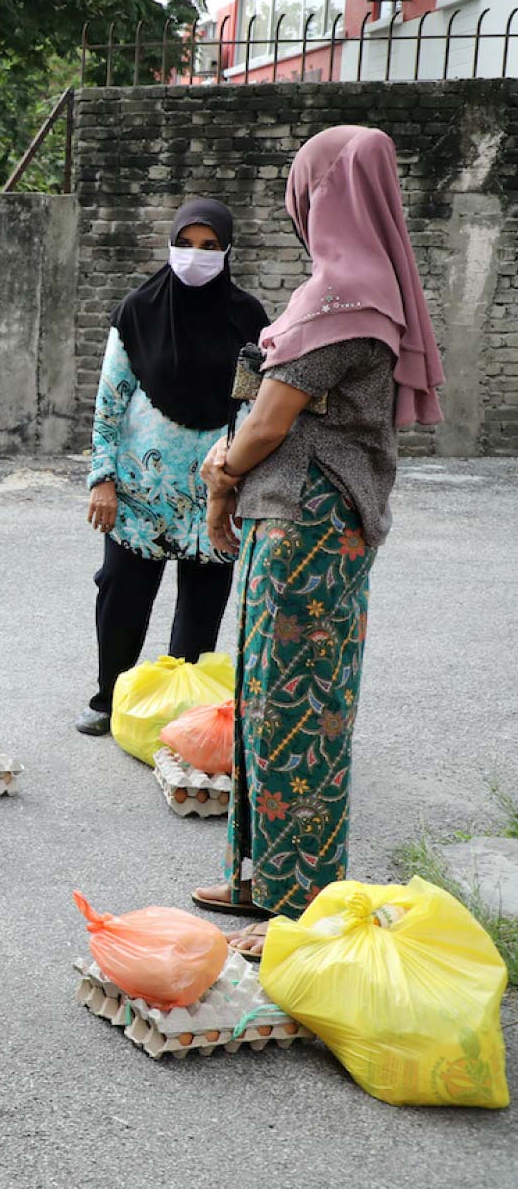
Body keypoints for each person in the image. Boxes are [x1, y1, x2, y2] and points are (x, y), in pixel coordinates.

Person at [191, 126, 443, 959]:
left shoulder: (347, 296)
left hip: (310, 522)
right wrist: (230, 466)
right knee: (262, 696)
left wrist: (222, 473)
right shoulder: (341, 289)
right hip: (291, 517)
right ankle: (258, 876)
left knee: (300, 709)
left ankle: (299, 905)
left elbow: (270, 418)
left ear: (323, 194)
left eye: (304, 187)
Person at [76, 198, 270, 736]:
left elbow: (252, 406)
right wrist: (102, 480)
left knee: (202, 606)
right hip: (139, 491)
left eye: (209, 247)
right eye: (185, 244)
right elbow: (109, 402)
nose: (195, 256)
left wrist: (235, 481)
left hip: (215, 491)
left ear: (228, 251)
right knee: (121, 592)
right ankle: (108, 700)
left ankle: (179, 712)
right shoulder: (138, 311)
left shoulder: (247, 318)